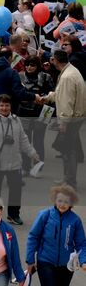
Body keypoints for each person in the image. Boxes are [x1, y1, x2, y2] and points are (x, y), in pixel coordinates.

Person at [0, 94, 39, 225]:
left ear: (11, 106)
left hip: (15, 162)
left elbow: (23, 139)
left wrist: (32, 153)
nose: (4, 108)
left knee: (16, 190)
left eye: (7, 105)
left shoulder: (16, 120)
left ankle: (13, 215)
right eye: (1, 105)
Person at [40, 49, 86, 187]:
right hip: (76, 116)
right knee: (68, 149)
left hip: (71, 118)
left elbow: (66, 101)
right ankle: (68, 179)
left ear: (55, 60)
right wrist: (48, 98)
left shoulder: (67, 76)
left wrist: (63, 122)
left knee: (68, 151)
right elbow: (61, 93)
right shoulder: (70, 71)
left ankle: (69, 181)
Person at [25, 183, 86, 286]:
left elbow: (81, 244)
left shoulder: (75, 220)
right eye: (60, 201)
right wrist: (30, 260)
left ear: (71, 203)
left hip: (66, 266)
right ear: (55, 200)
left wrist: (83, 260)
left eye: (66, 202)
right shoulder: (45, 215)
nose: (62, 204)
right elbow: (33, 237)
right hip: (45, 262)